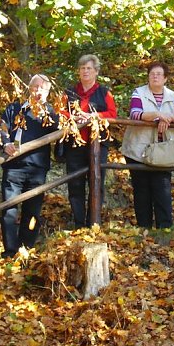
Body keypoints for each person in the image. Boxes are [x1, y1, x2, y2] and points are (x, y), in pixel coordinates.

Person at [120, 61, 174, 229]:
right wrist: (158, 115)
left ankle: (164, 229)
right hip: (138, 150)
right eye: (152, 74)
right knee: (141, 190)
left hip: (164, 151)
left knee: (162, 189)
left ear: (165, 78)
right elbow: (135, 114)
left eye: (159, 74)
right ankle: (144, 228)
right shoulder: (139, 93)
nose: (155, 76)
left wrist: (170, 118)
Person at [0, 74, 58, 258]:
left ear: (47, 92)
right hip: (14, 167)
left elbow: (57, 130)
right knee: (8, 211)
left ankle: (26, 250)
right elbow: (2, 128)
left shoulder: (50, 113)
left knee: (32, 213)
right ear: (28, 88)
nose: (37, 91)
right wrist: (6, 143)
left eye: (42, 88)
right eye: (35, 87)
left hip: (37, 169)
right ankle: (9, 252)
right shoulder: (15, 108)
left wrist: (44, 109)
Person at [60, 55, 117, 229]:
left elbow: (113, 115)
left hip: (98, 144)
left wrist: (93, 116)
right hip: (74, 145)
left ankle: (93, 223)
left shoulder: (104, 93)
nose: (85, 71)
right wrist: (74, 117)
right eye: (82, 68)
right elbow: (60, 113)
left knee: (96, 183)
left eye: (89, 68)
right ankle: (78, 224)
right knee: (75, 184)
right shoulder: (68, 92)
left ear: (96, 72)